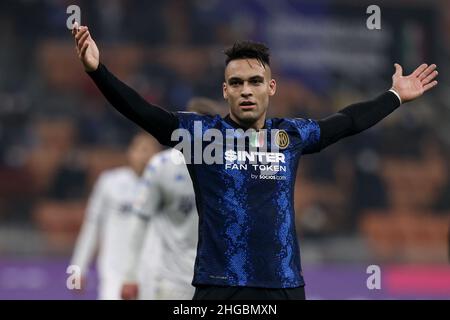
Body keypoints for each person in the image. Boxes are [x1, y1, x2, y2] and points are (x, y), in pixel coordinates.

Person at [71, 22, 438, 300]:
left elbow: (346, 122)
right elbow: (142, 111)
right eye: (237, 83)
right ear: (225, 91)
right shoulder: (201, 135)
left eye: (255, 81)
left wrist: (394, 96)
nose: (246, 89)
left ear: (271, 87)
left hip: (283, 286)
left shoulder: (289, 136)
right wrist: (97, 71)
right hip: (219, 288)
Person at [120, 98, 226, 300]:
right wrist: (130, 275)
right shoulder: (161, 166)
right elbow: (140, 220)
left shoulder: (232, 167)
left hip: (219, 280)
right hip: (173, 281)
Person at [69, 132, 160, 300]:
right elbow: (92, 225)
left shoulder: (164, 187)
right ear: (130, 152)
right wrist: (78, 267)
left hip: (152, 274)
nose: (144, 156)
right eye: (141, 149)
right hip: (114, 273)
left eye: (150, 150)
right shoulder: (109, 182)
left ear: (158, 156)